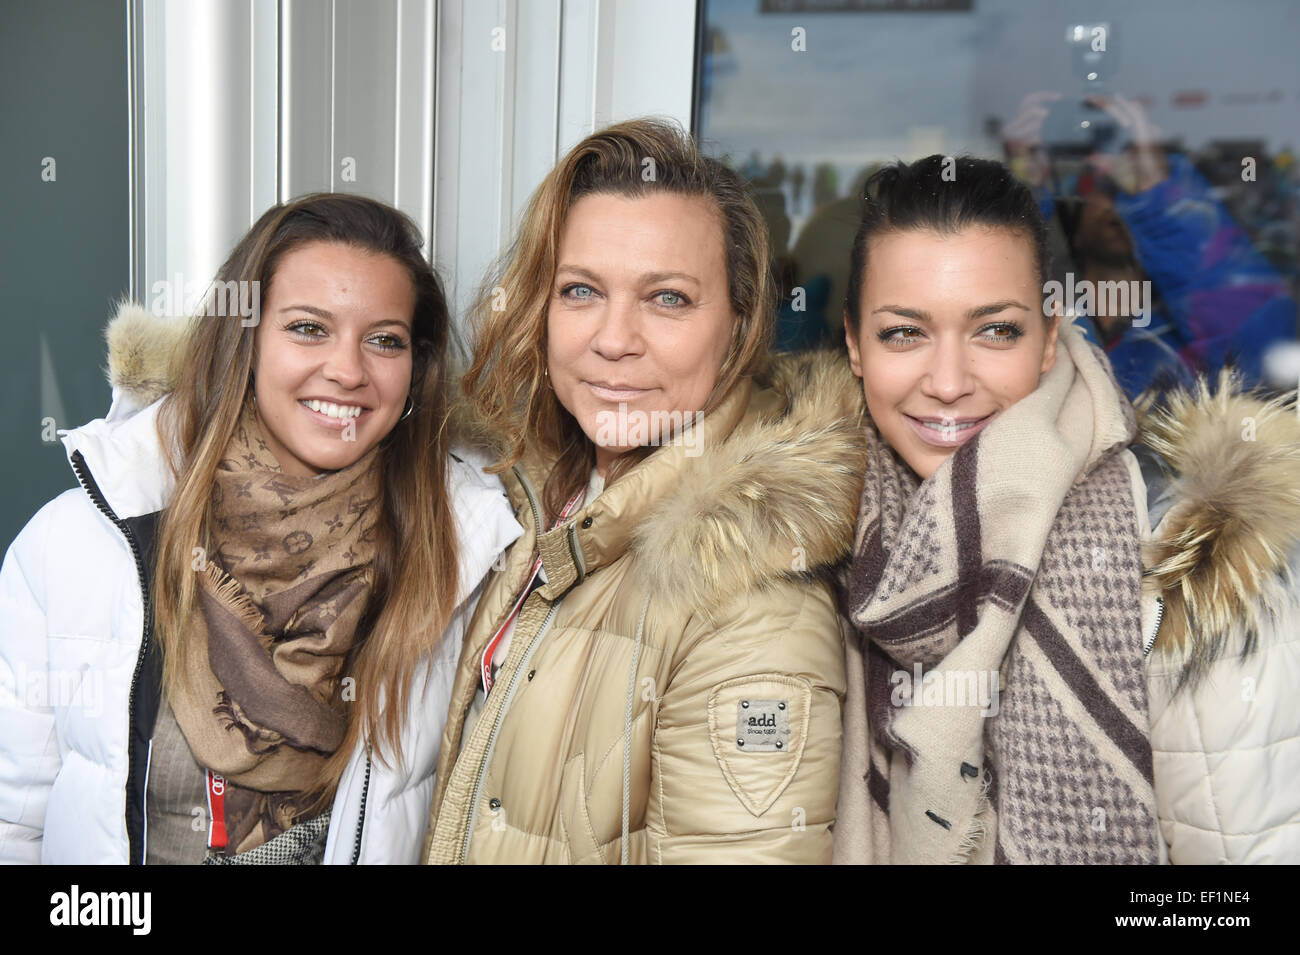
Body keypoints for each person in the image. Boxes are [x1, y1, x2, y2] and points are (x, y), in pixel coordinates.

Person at [0, 193, 521, 864]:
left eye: (384, 339)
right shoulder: (76, 544)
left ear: (416, 368)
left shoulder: (465, 562)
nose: (347, 370)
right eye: (308, 328)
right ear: (244, 341)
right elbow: (13, 821)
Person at [832, 155, 1300, 864]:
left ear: (1051, 337)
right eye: (905, 332)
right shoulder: (813, 541)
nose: (950, 382)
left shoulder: (1191, 559)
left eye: (996, 330)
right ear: (852, 345)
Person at [421, 118, 865, 864]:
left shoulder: (752, 605)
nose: (614, 337)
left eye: (667, 298)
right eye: (582, 289)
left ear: (740, 325)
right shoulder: (544, 494)